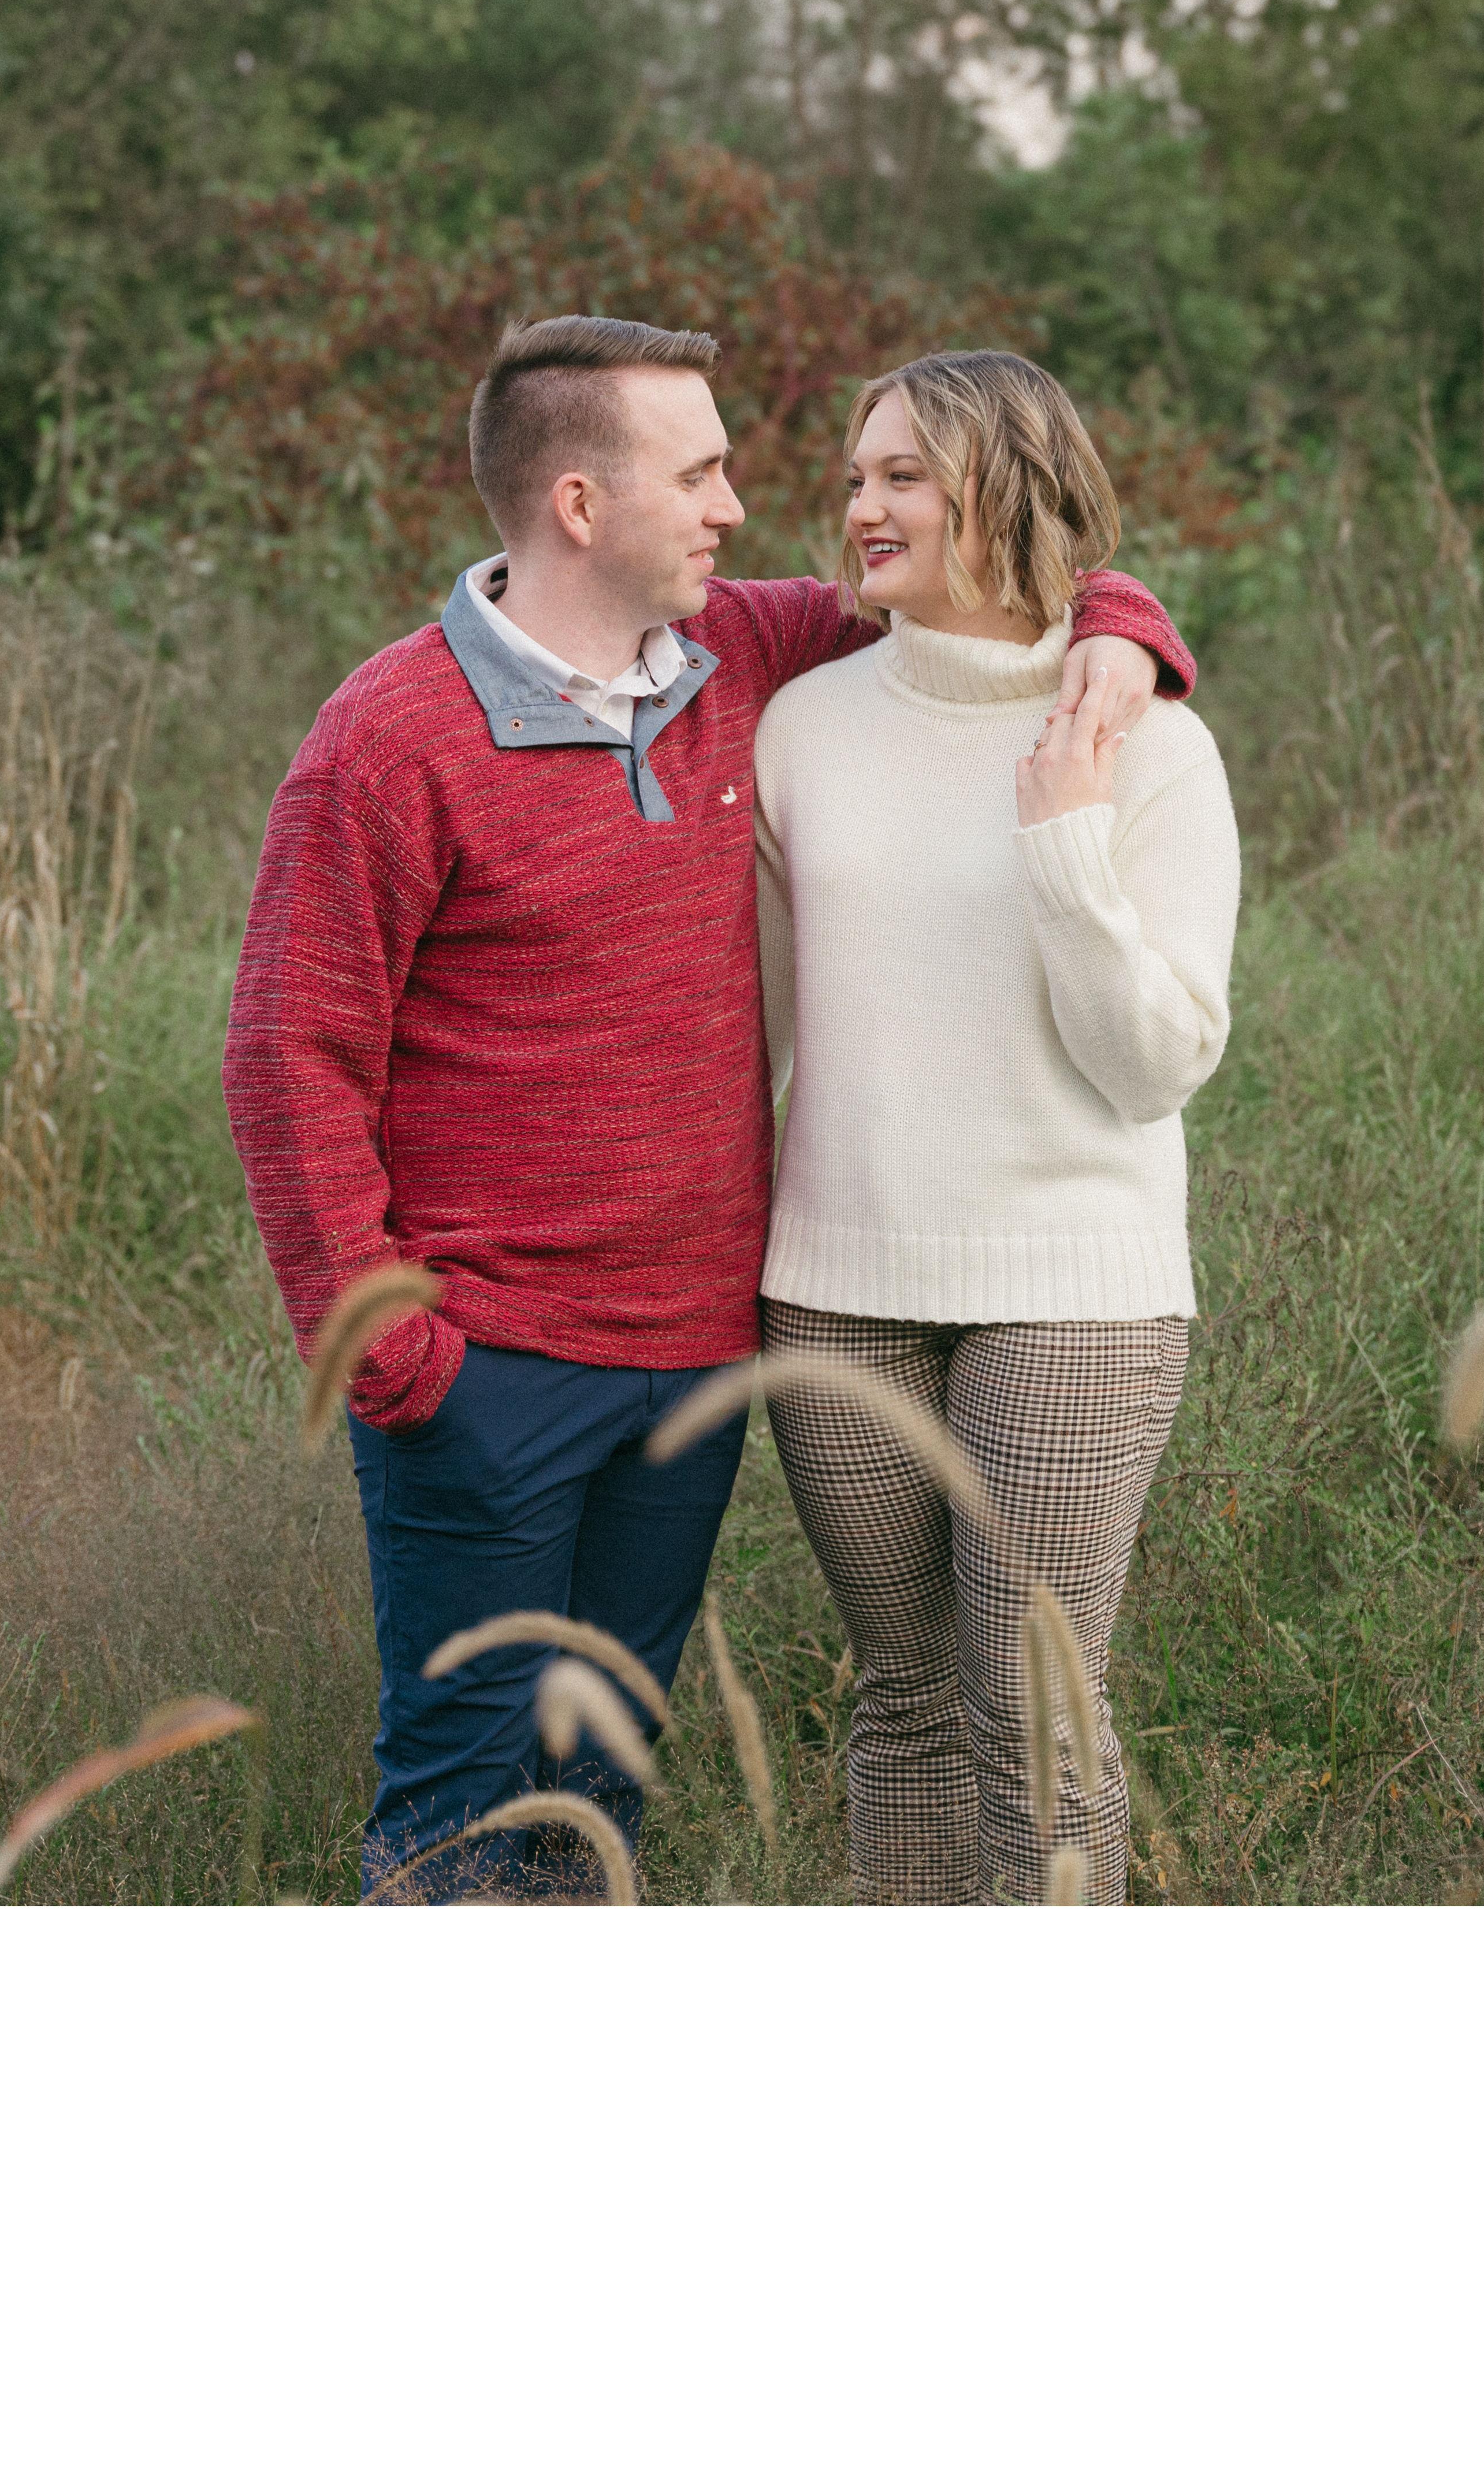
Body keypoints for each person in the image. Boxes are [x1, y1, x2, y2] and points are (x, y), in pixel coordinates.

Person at [220, 313, 1197, 1899]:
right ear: (581, 505)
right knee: (466, 1793)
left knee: (602, 1790)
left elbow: (991, 573)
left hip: (689, 1360)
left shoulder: (738, 657)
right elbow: (288, 1056)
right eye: (700, 476)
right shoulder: (390, 739)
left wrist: (1121, 623)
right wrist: (396, 1358)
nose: (741, 509)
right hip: (485, 1364)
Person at [746, 350, 1239, 1902]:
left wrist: (1067, 846)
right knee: (901, 1703)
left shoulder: (1154, 745)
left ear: (1004, 486)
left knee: (1035, 1715)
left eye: (904, 476)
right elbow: (753, 1032)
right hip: (836, 1286)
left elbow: (1156, 1066)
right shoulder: (801, 728)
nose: (861, 507)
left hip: (1071, 1286)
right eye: (856, 477)